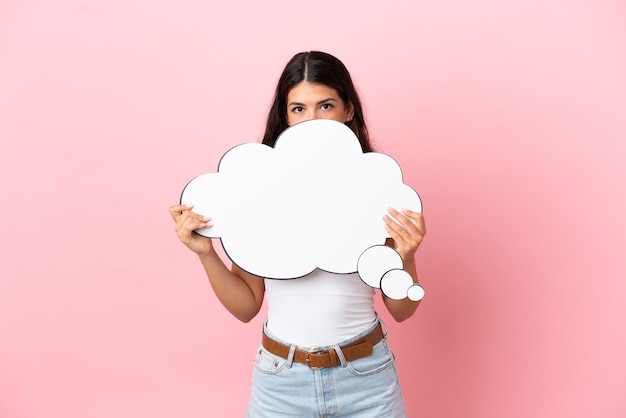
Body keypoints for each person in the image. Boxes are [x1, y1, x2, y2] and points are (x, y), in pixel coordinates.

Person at [169, 51, 426, 417]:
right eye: (299, 109)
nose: (312, 120)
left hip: (367, 378)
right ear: (285, 117)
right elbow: (246, 307)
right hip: (281, 385)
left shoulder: (378, 190)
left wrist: (408, 254)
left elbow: (403, 310)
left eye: (325, 105)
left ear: (348, 110)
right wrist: (206, 253)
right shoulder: (259, 192)